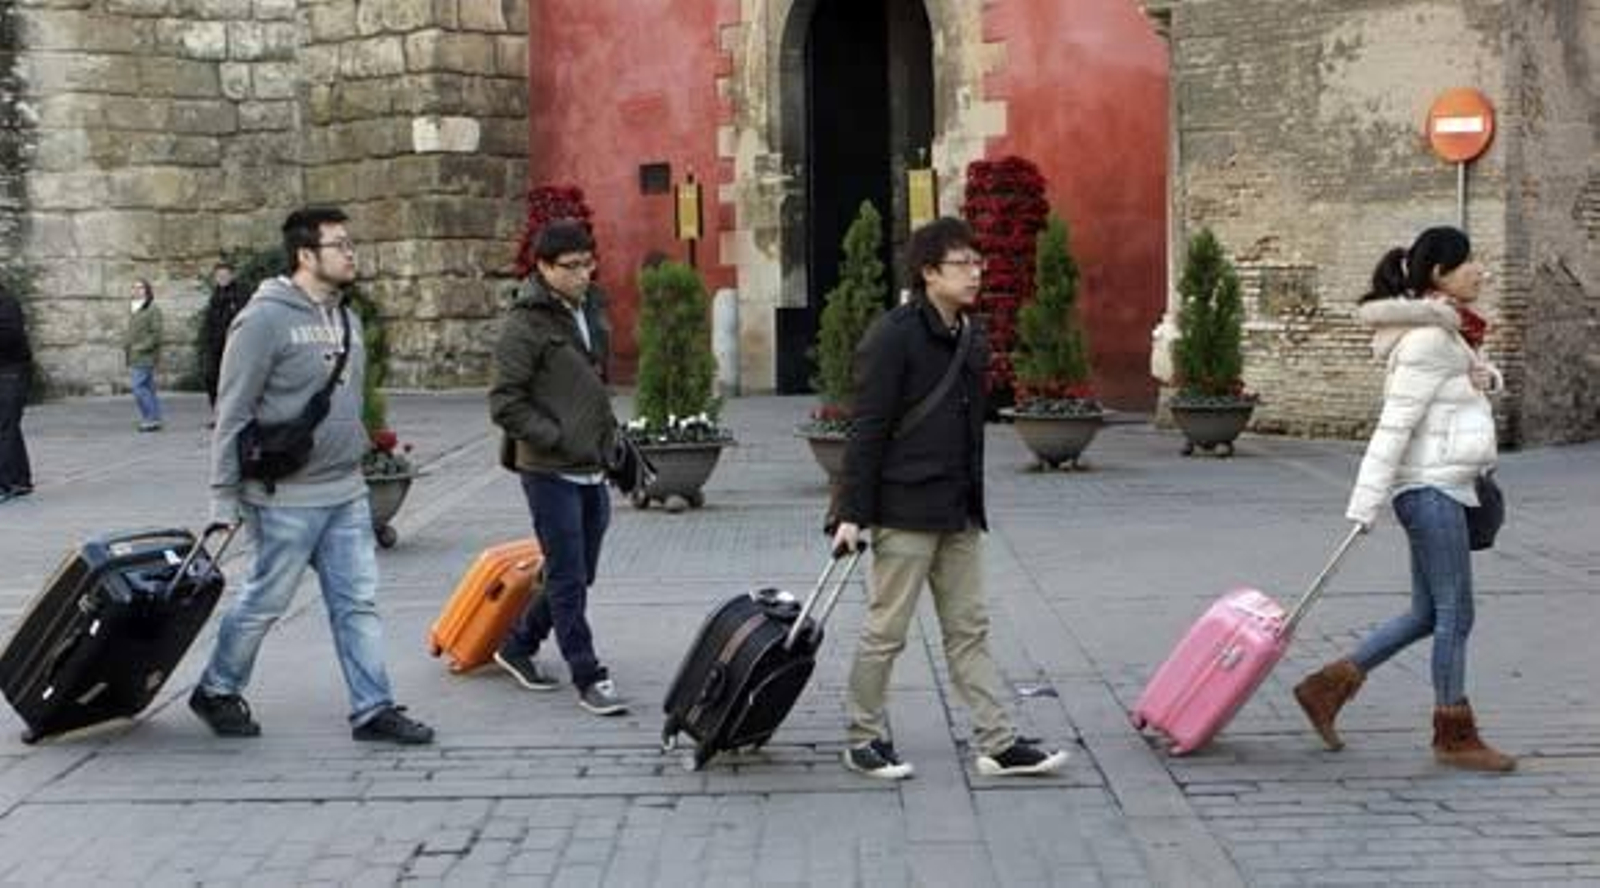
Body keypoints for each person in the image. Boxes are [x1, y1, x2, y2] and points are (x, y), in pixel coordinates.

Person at [830, 217, 1070, 779]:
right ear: (929, 272)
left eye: (978, 264)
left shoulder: (969, 334)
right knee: (886, 631)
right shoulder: (893, 336)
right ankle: (863, 736)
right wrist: (850, 514)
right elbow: (867, 430)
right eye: (963, 265)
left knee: (969, 629)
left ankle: (998, 741)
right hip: (904, 511)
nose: (976, 274)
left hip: (958, 510)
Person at [191, 206, 434, 745]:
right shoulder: (263, 319)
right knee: (263, 602)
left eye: (352, 244)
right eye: (340, 245)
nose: (352, 254)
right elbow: (231, 412)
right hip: (283, 496)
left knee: (357, 603)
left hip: (345, 490)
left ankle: (373, 709)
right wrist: (222, 499)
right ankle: (216, 689)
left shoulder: (346, 317)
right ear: (306, 255)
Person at [1294, 225, 1514, 772]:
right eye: (1468, 263)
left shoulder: (1447, 334)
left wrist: (1481, 379)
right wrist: (1364, 505)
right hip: (1431, 490)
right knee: (1455, 615)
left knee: (1426, 613)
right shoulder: (1429, 340)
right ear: (1439, 274)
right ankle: (1453, 734)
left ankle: (1326, 687)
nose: (1479, 271)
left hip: (1442, 485)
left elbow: (1460, 388)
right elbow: (1393, 427)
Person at [488, 219, 628, 717]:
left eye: (589, 263)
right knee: (567, 573)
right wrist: (556, 436)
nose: (584, 274)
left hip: (592, 463)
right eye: (571, 267)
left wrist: (608, 437)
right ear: (543, 268)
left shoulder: (590, 306)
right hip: (548, 470)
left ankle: (518, 644)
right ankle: (588, 674)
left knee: (579, 570)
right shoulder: (524, 325)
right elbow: (504, 403)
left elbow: (591, 378)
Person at [200, 262, 250, 415]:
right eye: (218, 276)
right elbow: (209, 321)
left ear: (232, 276)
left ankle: (233, 414)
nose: (221, 278)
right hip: (215, 346)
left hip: (235, 346)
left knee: (233, 382)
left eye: (225, 275)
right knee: (211, 378)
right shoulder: (215, 296)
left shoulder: (240, 295)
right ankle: (219, 412)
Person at [0, 282, 33, 503]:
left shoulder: (6, 303)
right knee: (8, 426)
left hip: (12, 371)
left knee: (4, 426)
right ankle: (20, 480)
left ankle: (5, 484)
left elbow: (11, 337)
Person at [125, 279, 163, 431]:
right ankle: (154, 418)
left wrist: (140, 348)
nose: (137, 290)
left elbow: (156, 334)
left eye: (140, 287)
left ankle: (151, 419)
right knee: (148, 387)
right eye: (134, 287)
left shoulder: (153, 309)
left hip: (144, 355)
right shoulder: (134, 308)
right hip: (134, 355)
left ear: (147, 290)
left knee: (138, 387)